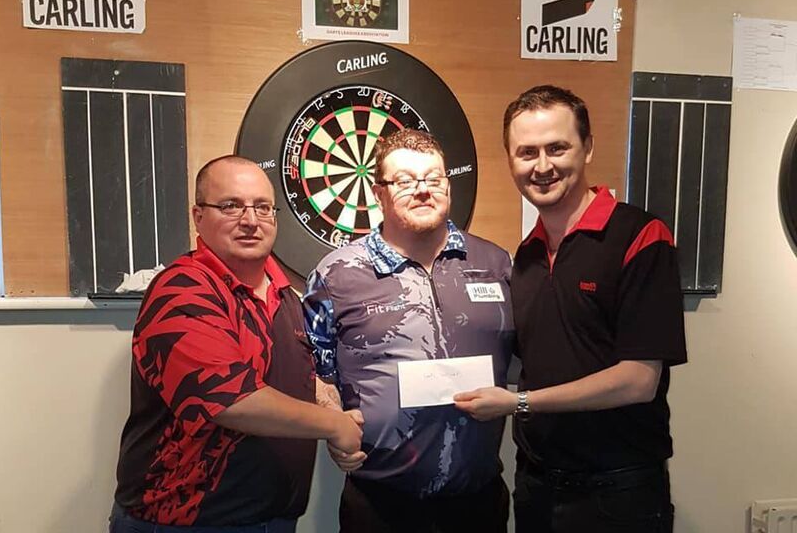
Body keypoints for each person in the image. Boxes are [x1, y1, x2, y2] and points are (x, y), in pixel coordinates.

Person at [454, 85, 688, 533]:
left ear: (587, 149)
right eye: (526, 152)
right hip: (537, 488)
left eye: (557, 148)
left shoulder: (640, 237)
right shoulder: (523, 257)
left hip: (617, 495)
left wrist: (519, 402)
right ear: (509, 161)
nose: (542, 167)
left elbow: (638, 380)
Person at [110, 155, 363, 533]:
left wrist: (333, 406)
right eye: (230, 206)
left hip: (271, 518)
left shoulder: (285, 296)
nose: (250, 219)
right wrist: (332, 425)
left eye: (262, 207)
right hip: (186, 523)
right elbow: (230, 400)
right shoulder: (184, 289)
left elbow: (296, 377)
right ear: (198, 216)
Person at [303, 129, 515, 533]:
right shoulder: (336, 274)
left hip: (478, 500)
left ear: (448, 186)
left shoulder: (496, 262)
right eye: (404, 181)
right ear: (378, 192)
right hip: (381, 504)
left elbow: (527, 354)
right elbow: (313, 366)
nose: (422, 190)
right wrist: (333, 422)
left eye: (433, 179)